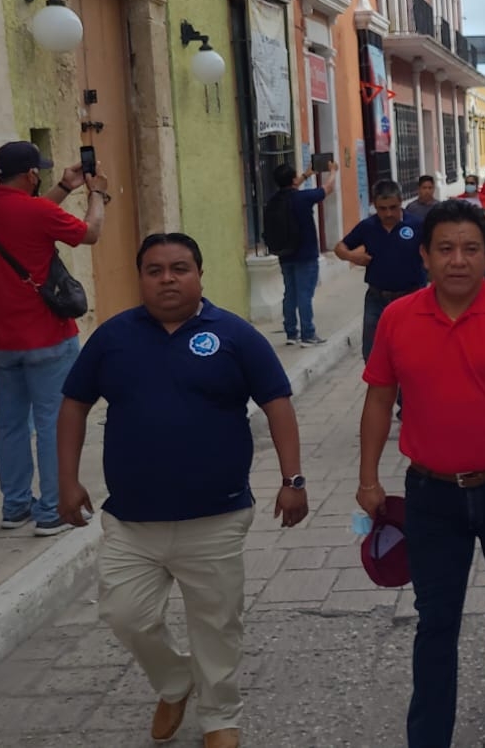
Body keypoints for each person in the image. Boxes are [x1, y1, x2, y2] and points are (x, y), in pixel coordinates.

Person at [56, 233, 307, 748]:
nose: (167, 278)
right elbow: (74, 404)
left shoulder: (233, 335)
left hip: (213, 518)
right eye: (154, 270)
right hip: (131, 520)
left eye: (179, 268)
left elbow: (277, 402)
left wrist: (292, 480)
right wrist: (66, 479)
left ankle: (219, 718)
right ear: (140, 277)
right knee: (125, 615)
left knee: (216, 624)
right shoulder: (113, 337)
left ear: (199, 273)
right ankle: (175, 682)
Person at [356, 200, 485, 746]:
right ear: (424, 255)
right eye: (445, 248)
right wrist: (368, 477)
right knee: (436, 618)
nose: (458, 260)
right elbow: (379, 400)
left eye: (471, 248)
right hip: (430, 493)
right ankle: (429, 735)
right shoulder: (399, 318)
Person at [0, 140, 108, 536]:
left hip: (2, 338)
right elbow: (90, 233)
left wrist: (64, 187)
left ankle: (14, 507)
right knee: (53, 422)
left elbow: (27, 217)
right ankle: (51, 511)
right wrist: (97, 194)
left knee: (11, 422)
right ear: (31, 175)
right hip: (47, 335)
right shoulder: (37, 211)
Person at [335, 180, 426, 362]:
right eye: (382, 208)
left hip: (410, 297)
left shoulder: (417, 226)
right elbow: (339, 248)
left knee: (412, 352)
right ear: (375, 206)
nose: (388, 213)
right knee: (372, 354)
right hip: (377, 299)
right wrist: (353, 257)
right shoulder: (368, 227)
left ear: (401, 202)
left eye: (393, 207)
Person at [267, 162, 334, 348]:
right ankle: (308, 333)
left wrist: (306, 175)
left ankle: (291, 332)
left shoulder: (274, 200)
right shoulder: (303, 198)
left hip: (285, 253)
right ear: (292, 179)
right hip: (306, 254)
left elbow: (292, 187)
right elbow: (327, 189)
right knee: (305, 295)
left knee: (290, 293)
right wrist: (334, 171)